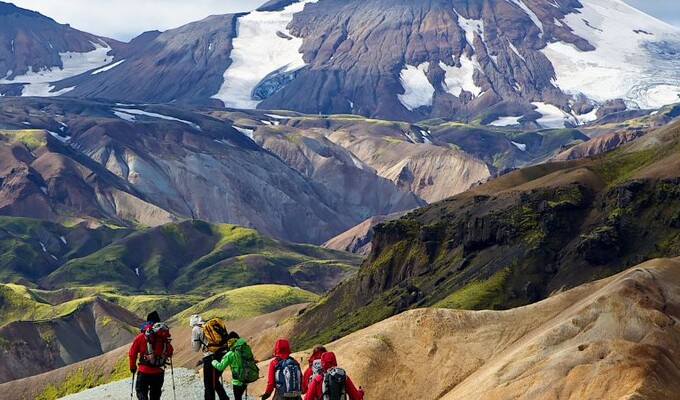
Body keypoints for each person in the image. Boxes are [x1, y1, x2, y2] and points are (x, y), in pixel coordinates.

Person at [129, 312, 173, 400]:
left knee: (141, 392)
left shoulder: (141, 336)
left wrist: (132, 367)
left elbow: (132, 353)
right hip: (158, 371)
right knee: (155, 396)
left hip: (144, 371)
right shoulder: (163, 337)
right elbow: (170, 352)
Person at [191, 314, 230, 400]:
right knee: (214, 380)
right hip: (222, 354)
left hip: (210, 357)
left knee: (208, 384)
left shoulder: (196, 329)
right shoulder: (210, 326)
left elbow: (196, 348)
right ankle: (224, 398)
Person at [211, 332, 249, 400]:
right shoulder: (244, 350)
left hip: (237, 381)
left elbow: (220, 367)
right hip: (246, 379)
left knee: (238, 398)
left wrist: (213, 361)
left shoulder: (230, 354)